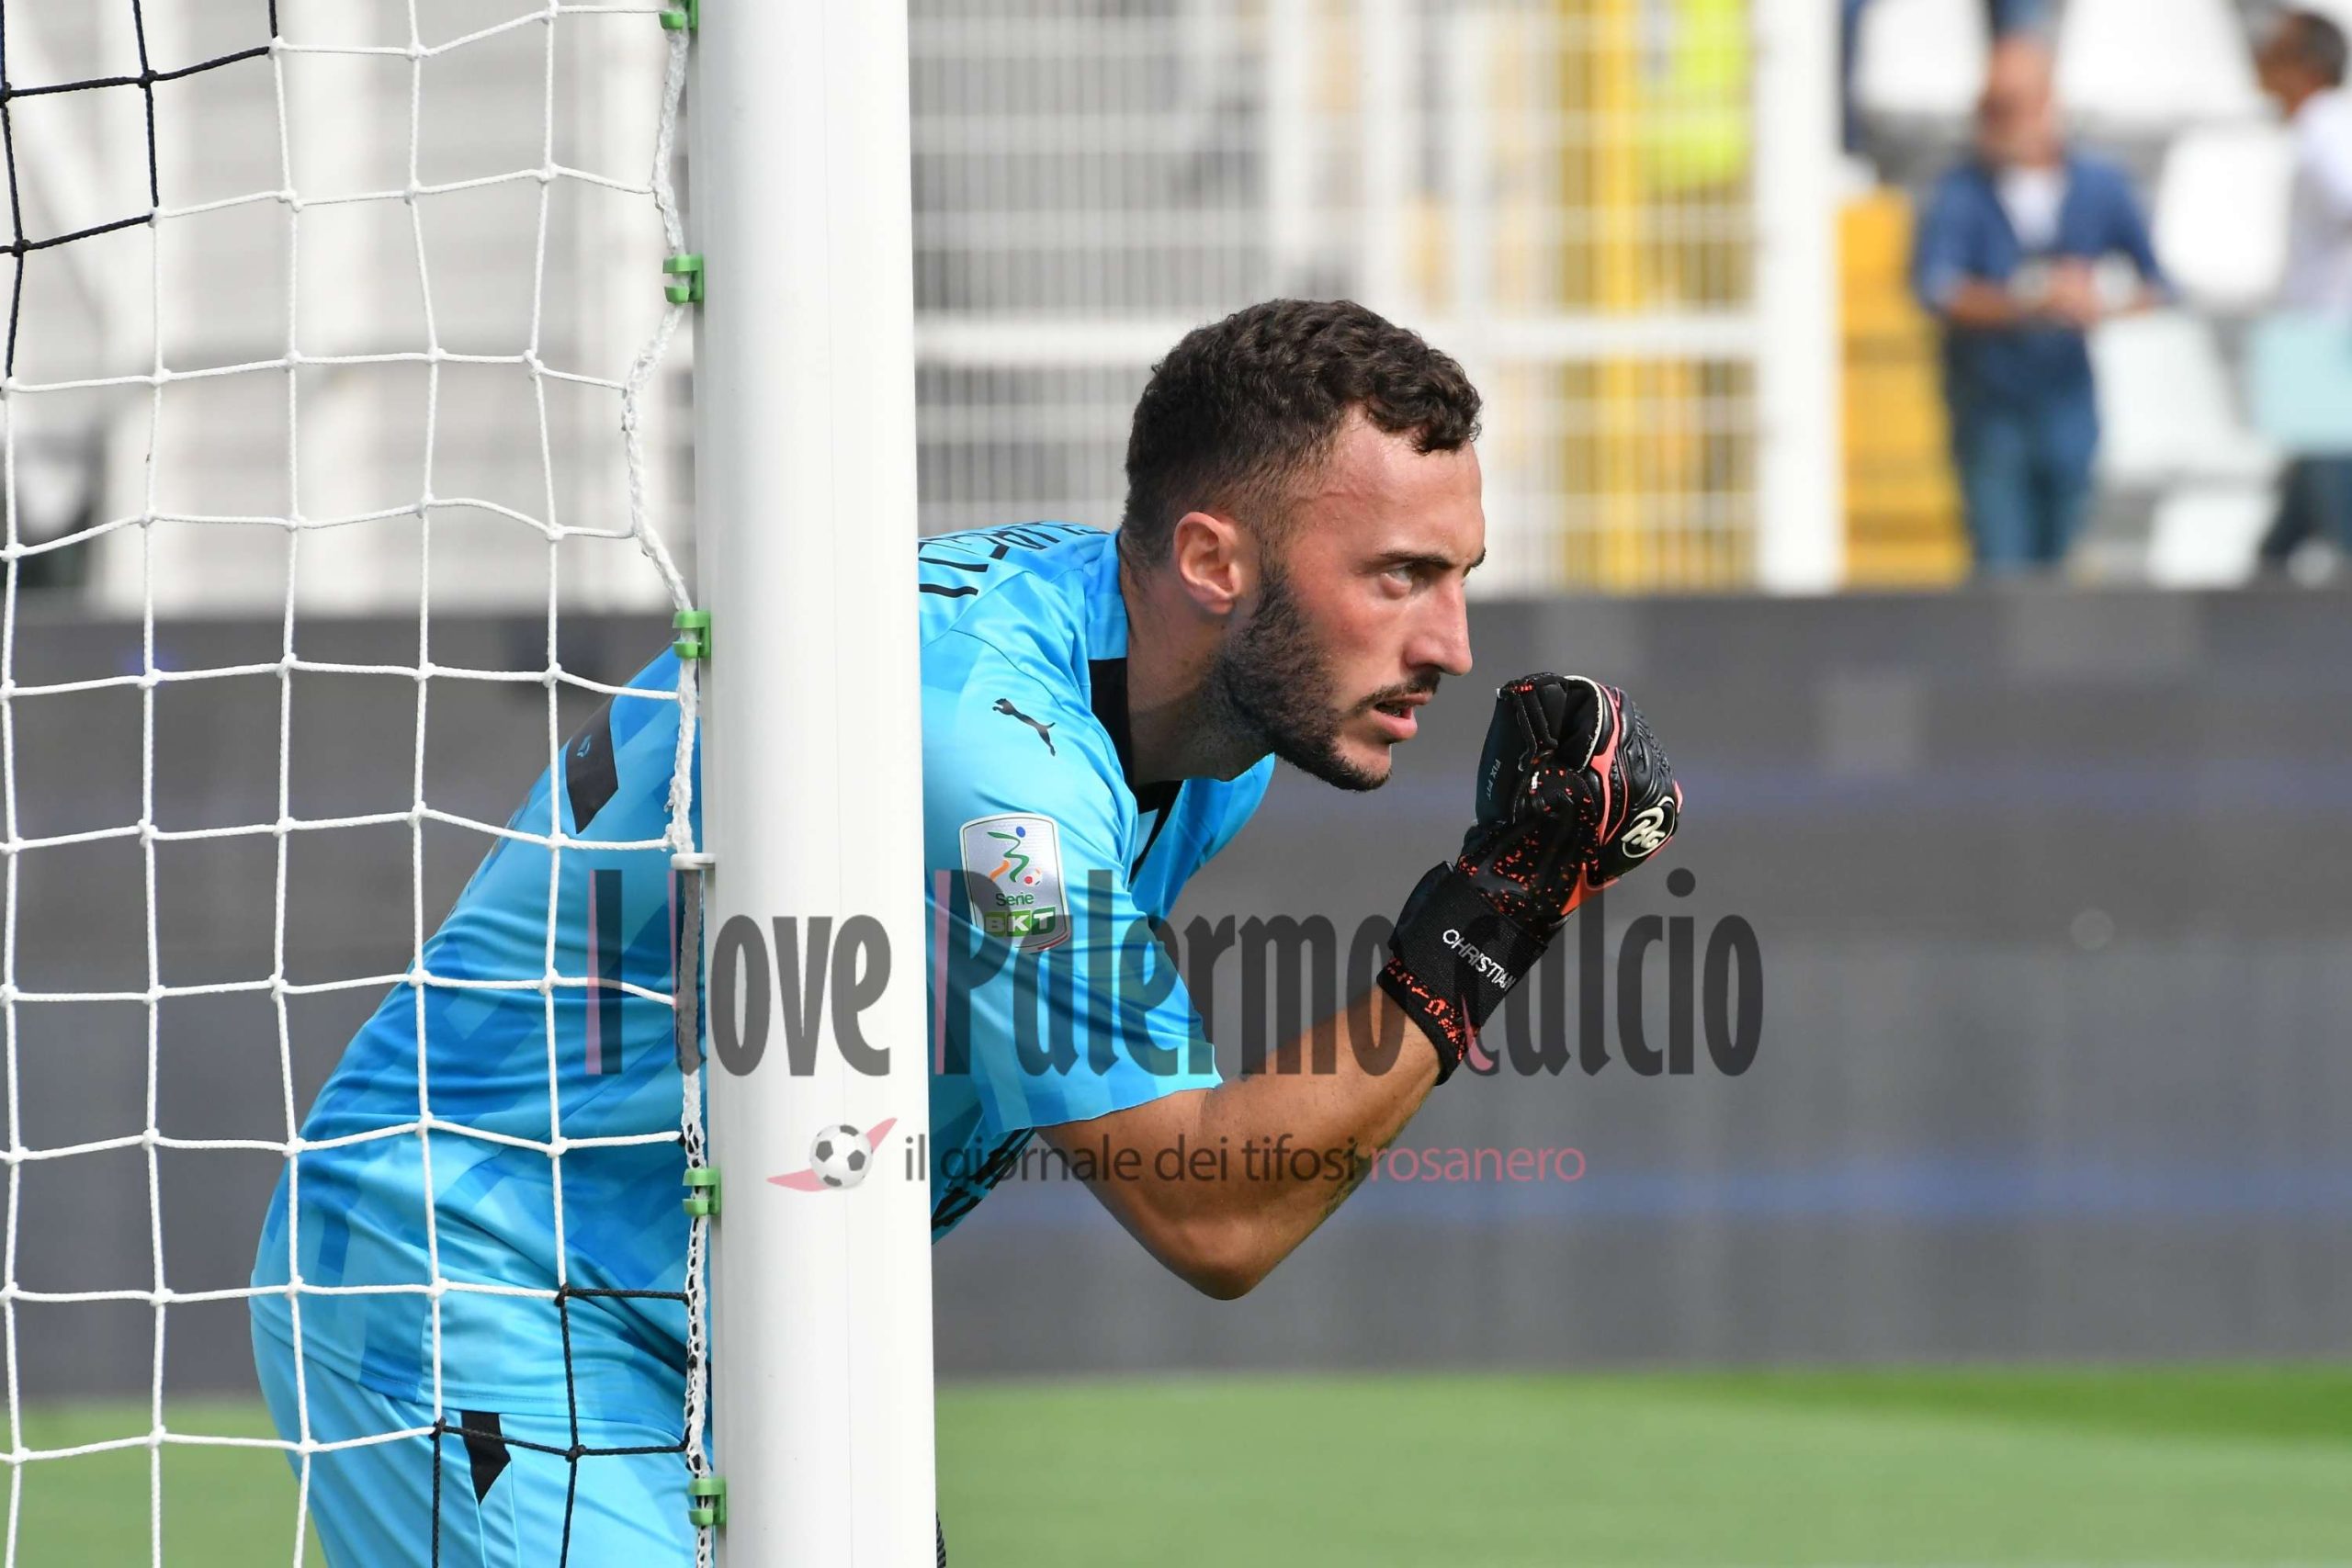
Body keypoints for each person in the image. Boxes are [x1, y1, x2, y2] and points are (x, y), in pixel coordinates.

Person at [247, 299, 1684, 1565]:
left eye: (1460, 574)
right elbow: (1213, 1203)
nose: (1451, 644)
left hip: (732, 1304)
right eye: (1399, 575)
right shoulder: (998, 767)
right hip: (472, 1269)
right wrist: (1499, 903)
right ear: (1212, 560)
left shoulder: (1212, 730)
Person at [1911, 38, 2167, 572]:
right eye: (1990, 108)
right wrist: (2029, 302)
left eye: (2011, 106)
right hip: (1990, 402)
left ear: (2048, 103)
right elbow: (1937, 289)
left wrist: (2097, 300)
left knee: (2060, 553)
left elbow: (2158, 284)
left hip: (2066, 396)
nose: (1998, 122)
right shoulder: (1962, 190)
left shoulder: (2098, 185)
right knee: (2001, 559)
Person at [2254, 8, 2352, 570]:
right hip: (2315, 345)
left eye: (2275, 55)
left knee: (2335, 503)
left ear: (2306, 69)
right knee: (2304, 499)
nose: (2261, 66)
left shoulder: (2324, 130)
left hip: (2324, 346)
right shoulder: (2326, 128)